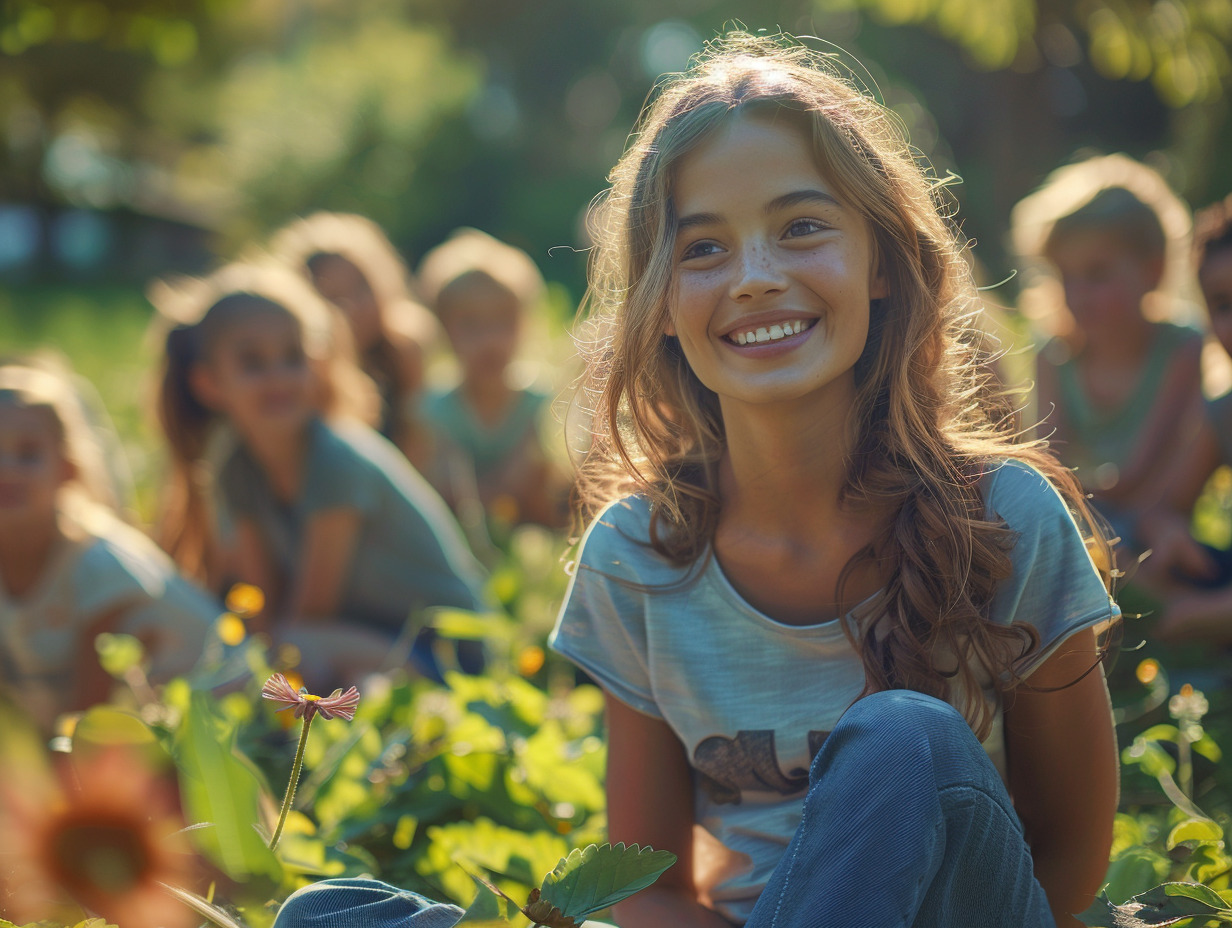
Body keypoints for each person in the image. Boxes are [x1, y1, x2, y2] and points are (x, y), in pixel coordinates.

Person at [271, 31, 1120, 928]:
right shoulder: (637, 553)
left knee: (903, 737)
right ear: (661, 306)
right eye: (703, 248)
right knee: (330, 913)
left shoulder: (1004, 515)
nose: (755, 278)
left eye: (800, 227)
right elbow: (652, 887)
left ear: (882, 260)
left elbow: (1068, 859)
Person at [151, 261, 488, 684]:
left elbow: (311, 613)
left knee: (299, 651)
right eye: (253, 363)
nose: (278, 377)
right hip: (357, 641)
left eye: (293, 357)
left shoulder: (336, 458)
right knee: (275, 654)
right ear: (210, 384)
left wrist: (253, 678)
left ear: (317, 364)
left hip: (451, 656)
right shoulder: (233, 465)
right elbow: (262, 606)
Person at [0, 357, 217, 732]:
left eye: (28, 454)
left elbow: (89, 718)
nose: (7, 468)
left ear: (68, 469)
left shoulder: (97, 564)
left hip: (222, 715)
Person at [1011, 155, 1206, 549]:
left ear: (1154, 270)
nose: (1078, 295)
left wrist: (1087, 491)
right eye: (1066, 276)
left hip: (1154, 526)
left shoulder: (1181, 349)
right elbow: (1049, 464)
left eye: (1097, 274)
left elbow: (1142, 473)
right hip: (1075, 524)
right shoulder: (1055, 355)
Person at [417, 228, 569, 539]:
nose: (489, 340)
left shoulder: (541, 401)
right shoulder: (432, 408)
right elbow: (443, 492)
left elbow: (539, 489)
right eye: (470, 325)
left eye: (503, 321)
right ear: (443, 328)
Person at [1133, 194, 1232, 643]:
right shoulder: (1224, 411)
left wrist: (1200, 615)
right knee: (1112, 554)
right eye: (1223, 305)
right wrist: (1170, 533)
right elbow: (1160, 509)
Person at [272, 212, 440, 467]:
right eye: (333, 298)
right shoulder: (302, 369)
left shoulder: (403, 350)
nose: (353, 309)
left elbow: (419, 447)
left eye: (361, 288)